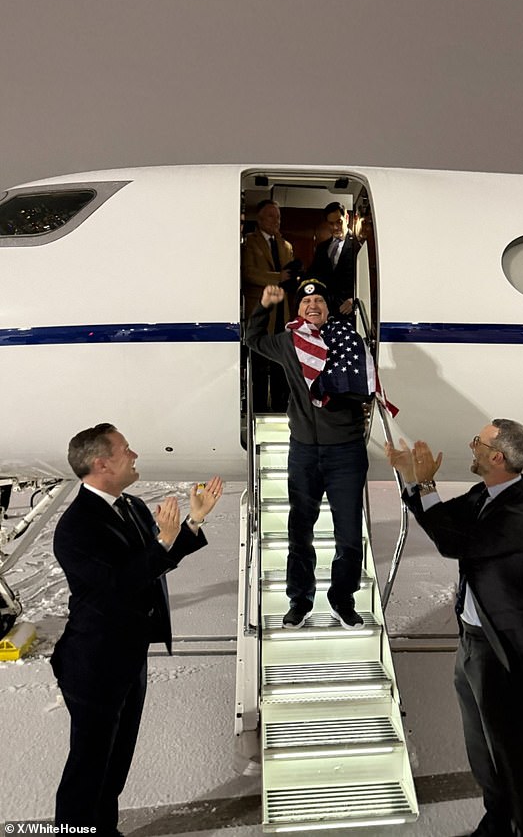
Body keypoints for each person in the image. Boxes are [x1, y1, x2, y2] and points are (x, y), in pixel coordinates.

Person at [51, 423, 224, 835]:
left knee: (114, 765)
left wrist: (192, 523)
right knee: (88, 769)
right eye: (125, 450)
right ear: (101, 463)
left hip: (128, 657)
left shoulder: (130, 507)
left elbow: (153, 562)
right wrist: (161, 544)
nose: (135, 455)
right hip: (93, 663)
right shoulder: (75, 528)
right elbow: (117, 585)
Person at [386, 420, 523, 837]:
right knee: (480, 747)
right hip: (472, 641)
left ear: (497, 457)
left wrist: (426, 486)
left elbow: (453, 543)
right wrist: (413, 481)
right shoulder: (487, 494)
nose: (472, 446)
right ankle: (497, 821)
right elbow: (443, 520)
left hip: (502, 651)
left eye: (479, 442)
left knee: (510, 753)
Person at [246, 279, 374, 630]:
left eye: (319, 300)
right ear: (298, 311)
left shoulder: (347, 341)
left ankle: (342, 600)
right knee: (299, 532)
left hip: (345, 453)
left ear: (328, 310)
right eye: (305, 302)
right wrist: (264, 306)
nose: (312, 305)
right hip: (303, 452)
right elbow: (253, 340)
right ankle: (299, 601)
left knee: (348, 535)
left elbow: (363, 385)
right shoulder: (290, 342)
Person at [242, 199, 296, 411]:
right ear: (260, 219)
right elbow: (248, 273)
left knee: (281, 364)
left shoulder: (286, 245)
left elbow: (288, 275)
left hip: (283, 312)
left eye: (279, 217)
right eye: (272, 216)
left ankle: (282, 409)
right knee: (259, 365)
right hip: (260, 311)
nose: (277, 221)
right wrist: (277, 277)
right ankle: (259, 410)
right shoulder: (249, 243)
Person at [308, 201, 360, 320]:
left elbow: (367, 282)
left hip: (347, 315)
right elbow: (314, 276)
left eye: (339, 222)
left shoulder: (359, 246)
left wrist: (355, 300)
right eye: (331, 224)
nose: (335, 227)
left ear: (346, 218)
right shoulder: (322, 248)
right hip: (323, 314)